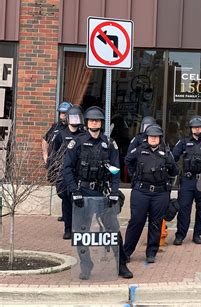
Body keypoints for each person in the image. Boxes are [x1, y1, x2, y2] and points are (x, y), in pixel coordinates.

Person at [63, 106, 133, 279]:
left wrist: (115, 192)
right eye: (92, 120)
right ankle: (86, 265)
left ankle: (121, 265)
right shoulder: (77, 143)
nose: (95, 122)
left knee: (113, 230)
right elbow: (67, 169)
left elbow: (115, 170)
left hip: (102, 193)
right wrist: (74, 191)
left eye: (98, 120)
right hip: (83, 193)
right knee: (81, 233)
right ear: (86, 123)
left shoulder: (109, 144)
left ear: (101, 123)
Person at [123, 125, 178, 263]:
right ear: (147, 138)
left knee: (156, 223)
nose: (153, 139)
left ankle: (151, 253)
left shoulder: (166, 152)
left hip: (160, 193)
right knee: (136, 221)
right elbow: (127, 161)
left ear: (160, 138)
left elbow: (175, 171)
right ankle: (127, 252)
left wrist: (170, 166)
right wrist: (133, 175)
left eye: (156, 136)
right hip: (141, 191)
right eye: (151, 136)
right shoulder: (140, 150)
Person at [172, 116, 201, 245]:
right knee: (184, 209)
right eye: (195, 127)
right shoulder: (183, 142)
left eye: (199, 127)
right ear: (191, 129)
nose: (197, 129)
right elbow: (172, 158)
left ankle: (197, 235)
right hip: (187, 180)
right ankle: (180, 235)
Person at [49, 105, 85, 239]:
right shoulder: (61, 134)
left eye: (77, 118)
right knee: (66, 200)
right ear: (68, 119)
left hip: (80, 173)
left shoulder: (83, 135)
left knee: (79, 202)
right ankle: (68, 228)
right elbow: (54, 153)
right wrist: (53, 171)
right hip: (65, 172)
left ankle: (79, 228)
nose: (75, 121)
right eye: (72, 118)